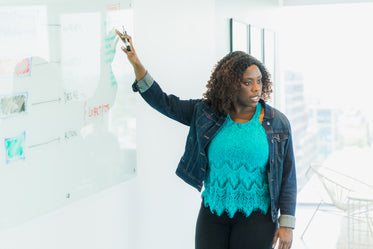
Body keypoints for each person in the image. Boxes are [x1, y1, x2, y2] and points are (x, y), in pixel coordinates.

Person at [116, 30, 297, 249]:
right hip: (213, 213)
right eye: (247, 83)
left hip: (257, 216)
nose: (256, 88)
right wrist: (136, 63)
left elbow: (288, 175)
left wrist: (287, 223)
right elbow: (164, 103)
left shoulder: (276, 123)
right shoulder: (206, 112)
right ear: (231, 84)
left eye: (259, 81)